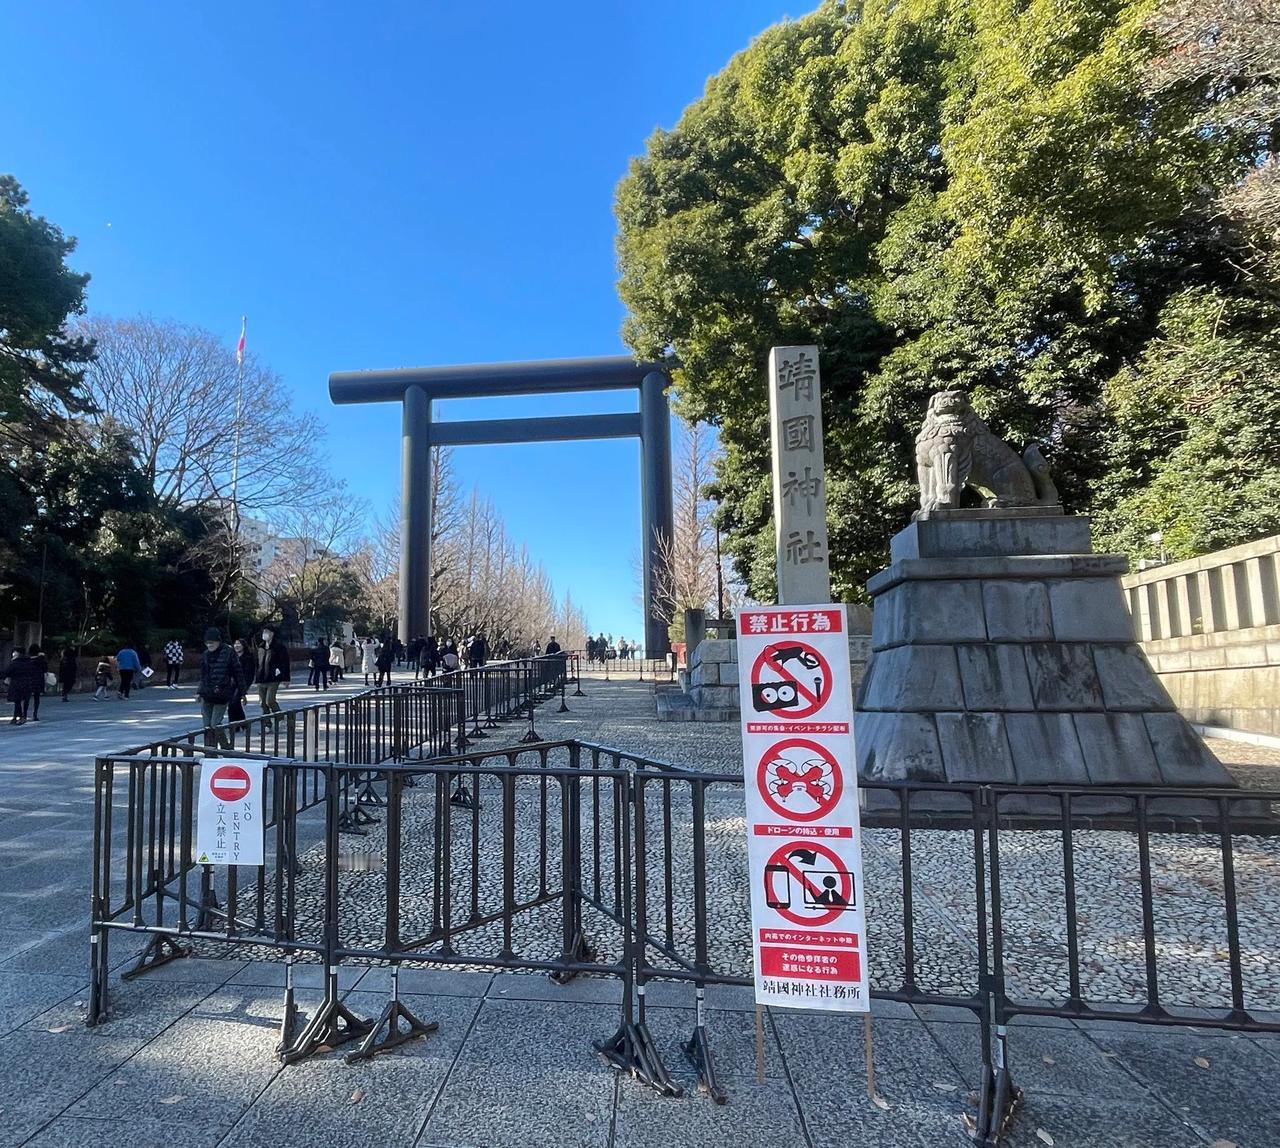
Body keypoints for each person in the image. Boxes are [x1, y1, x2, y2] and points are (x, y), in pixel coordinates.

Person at [197, 627, 245, 748]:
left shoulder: (228, 653)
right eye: (207, 643)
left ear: (218, 641)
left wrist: (242, 692)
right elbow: (202, 675)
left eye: (212, 642)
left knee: (215, 725)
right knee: (207, 726)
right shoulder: (205, 655)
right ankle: (210, 752)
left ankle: (225, 748)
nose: (209, 645)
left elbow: (238, 672)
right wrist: (199, 692)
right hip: (206, 693)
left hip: (221, 694)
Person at [256, 624, 291, 714]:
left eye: (267, 632)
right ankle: (267, 724)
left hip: (273, 678)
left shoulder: (279, 647)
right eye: (264, 632)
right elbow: (257, 662)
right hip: (261, 678)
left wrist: (286, 678)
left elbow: (285, 662)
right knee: (262, 703)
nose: (265, 634)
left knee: (270, 701)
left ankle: (279, 717)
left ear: (272, 634)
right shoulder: (261, 647)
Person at [5, 649, 35, 725]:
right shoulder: (29, 662)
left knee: (17, 701)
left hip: (16, 684)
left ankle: (18, 717)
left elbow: (7, 672)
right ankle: (22, 717)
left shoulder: (15, 663)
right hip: (27, 683)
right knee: (25, 700)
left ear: (17, 653)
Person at [26, 643, 48, 722]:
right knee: (37, 698)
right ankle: (35, 714)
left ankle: (24, 714)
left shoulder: (27, 660)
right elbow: (45, 673)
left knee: (26, 698)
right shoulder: (42, 661)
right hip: (39, 680)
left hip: (28, 679)